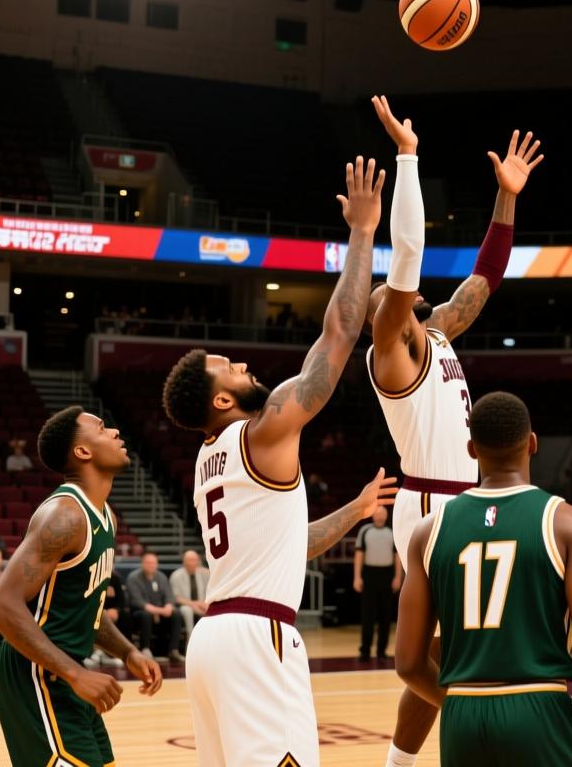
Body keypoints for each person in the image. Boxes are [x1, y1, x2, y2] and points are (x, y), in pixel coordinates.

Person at [161, 150, 398, 767]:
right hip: (256, 639)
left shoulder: (206, 461)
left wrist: (355, 510)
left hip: (212, 640)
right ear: (220, 398)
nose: (243, 365)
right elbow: (343, 331)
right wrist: (365, 230)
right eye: (229, 368)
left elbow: (287, 545)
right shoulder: (262, 432)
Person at [363, 95, 543, 767]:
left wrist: (506, 197)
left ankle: (401, 763)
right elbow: (406, 256)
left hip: (469, 498)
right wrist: (407, 159)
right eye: (398, 301)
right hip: (432, 504)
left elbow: (485, 278)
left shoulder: (439, 331)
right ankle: (495, 733)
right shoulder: (392, 357)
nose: (404, 302)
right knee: (456, 651)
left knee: (451, 650)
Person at [395, 392, 572, 767]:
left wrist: (460, 704)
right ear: (532, 444)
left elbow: (408, 664)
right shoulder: (567, 522)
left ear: (471, 449)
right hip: (538, 708)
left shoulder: (427, 531)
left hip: (461, 720)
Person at [0, 406, 162, 767]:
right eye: (101, 428)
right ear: (82, 452)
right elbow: (1, 606)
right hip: (34, 675)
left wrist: (128, 652)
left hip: (65, 670)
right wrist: (75, 674)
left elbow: (89, 606)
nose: (114, 432)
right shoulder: (65, 516)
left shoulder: (105, 516)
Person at [354, 505, 402, 661]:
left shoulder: (392, 532)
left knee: (385, 615)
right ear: (372, 515)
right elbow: (359, 555)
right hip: (369, 574)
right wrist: (357, 577)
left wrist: (397, 577)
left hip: (387, 575)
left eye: (383, 513)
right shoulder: (365, 531)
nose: (380, 516)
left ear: (386, 515)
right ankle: (365, 651)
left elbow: (397, 556)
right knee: (368, 615)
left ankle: (382, 651)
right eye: (377, 513)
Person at [127, 551, 185, 662]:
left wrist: (168, 606)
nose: (151, 565)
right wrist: (159, 610)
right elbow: (137, 601)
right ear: (142, 563)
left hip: (160, 612)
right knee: (146, 614)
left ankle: (174, 650)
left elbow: (169, 597)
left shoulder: (161, 577)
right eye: (148, 562)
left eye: (154, 562)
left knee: (176, 613)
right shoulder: (133, 578)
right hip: (139, 613)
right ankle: (145, 649)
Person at [169, 549, 210, 645]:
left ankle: (208, 644)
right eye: (190, 560)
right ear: (184, 561)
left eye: (195, 560)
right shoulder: (176, 575)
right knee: (187, 610)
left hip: (201, 604)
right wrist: (195, 604)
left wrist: (205, 604)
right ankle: (190, 643)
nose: (192, 563)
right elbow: (176, 598)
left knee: (213, 609)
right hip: (183, 606)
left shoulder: (202, 574)